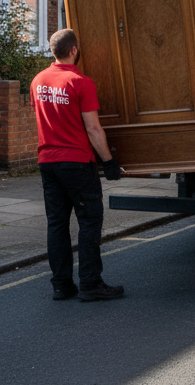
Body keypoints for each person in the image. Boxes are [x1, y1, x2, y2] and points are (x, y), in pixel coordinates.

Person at [31, 29, 125, 302]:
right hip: (76, 163)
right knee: (89, 222)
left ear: (53, 51)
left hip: (47, 162)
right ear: (74, 50)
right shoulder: (80, 82)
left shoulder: (38, 81)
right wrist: (108, 162)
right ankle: (91, 283)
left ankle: (61, 285)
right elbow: (93, 129)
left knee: (57, 225)